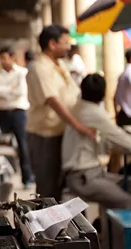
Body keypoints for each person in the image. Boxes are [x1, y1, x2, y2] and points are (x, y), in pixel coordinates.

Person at [26, 24, 95, 200]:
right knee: (48, 187)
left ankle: (63, 225)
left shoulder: (59, 64)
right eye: (65, 42)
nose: (69, 46)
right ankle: (44, 226)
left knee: (62, 186)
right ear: (52, 44)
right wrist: (78, 126)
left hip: (63, 132)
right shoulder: (38, 67)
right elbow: (53, 100)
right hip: (45, 135)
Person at [62, 73, 131, 208]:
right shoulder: (93, 112)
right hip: (84, 177)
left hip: (89, 173)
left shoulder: (77, 107)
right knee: (128, 201)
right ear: (103, 94)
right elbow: (124, 140)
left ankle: (108, 225)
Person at [0, 45, 34, 189]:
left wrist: (4, 92)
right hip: (3, 112)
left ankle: (27, 177)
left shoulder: (22, 73)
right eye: (1, 58)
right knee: (3, 146)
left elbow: (20, 91)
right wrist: (10, 90)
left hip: (18, 111)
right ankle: (4, 178)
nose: (3, 60)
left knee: (23, 145)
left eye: (5, 57)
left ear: (12, 57)